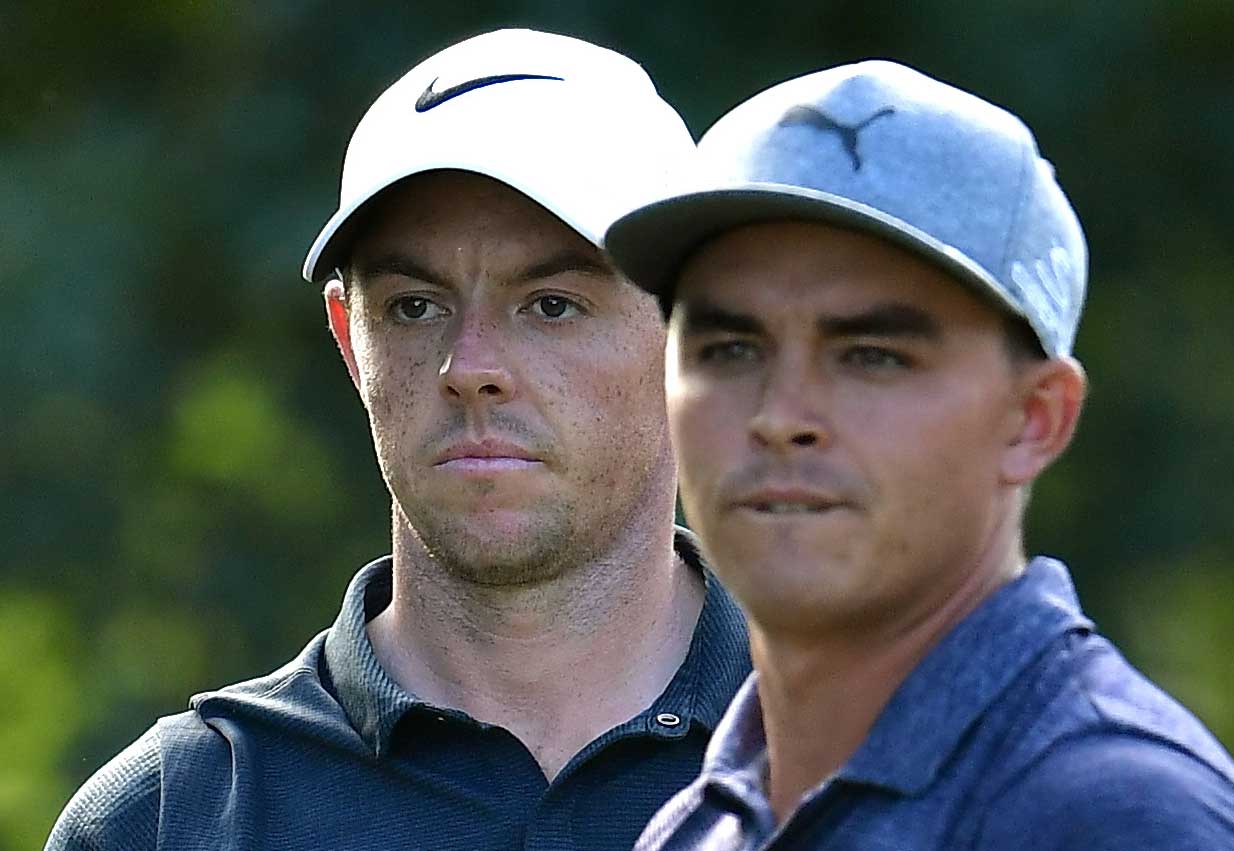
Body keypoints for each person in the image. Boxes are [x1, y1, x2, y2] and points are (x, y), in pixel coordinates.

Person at [47, 29, 749, 851]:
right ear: (351, 341)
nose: (470, 367)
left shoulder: (860, 763)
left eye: (552, 304)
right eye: (415, 306)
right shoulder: (170, 818)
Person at [603, 60, 1234, 850]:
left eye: (871, 356)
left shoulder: (1119, 819)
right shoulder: (700, 826)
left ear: (1034, 419)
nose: (780, 416)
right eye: (729, 349)